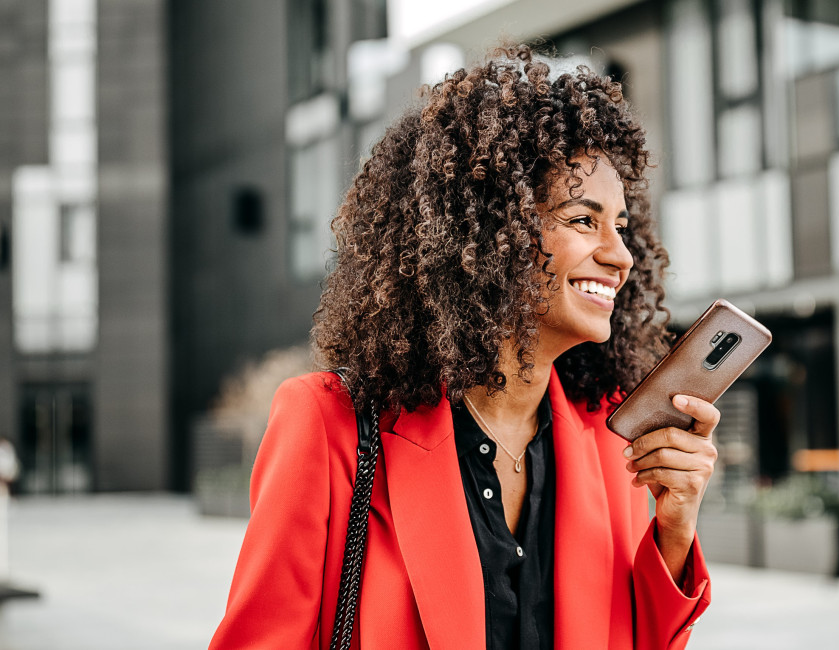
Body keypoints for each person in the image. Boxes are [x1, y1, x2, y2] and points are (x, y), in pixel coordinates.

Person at [210, 44, 719, 650]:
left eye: (622, 225)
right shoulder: (329, 427)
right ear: (489, 226)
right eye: (585, 220)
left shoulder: (613, 440)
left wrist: (674, 529)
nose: (622, 254)